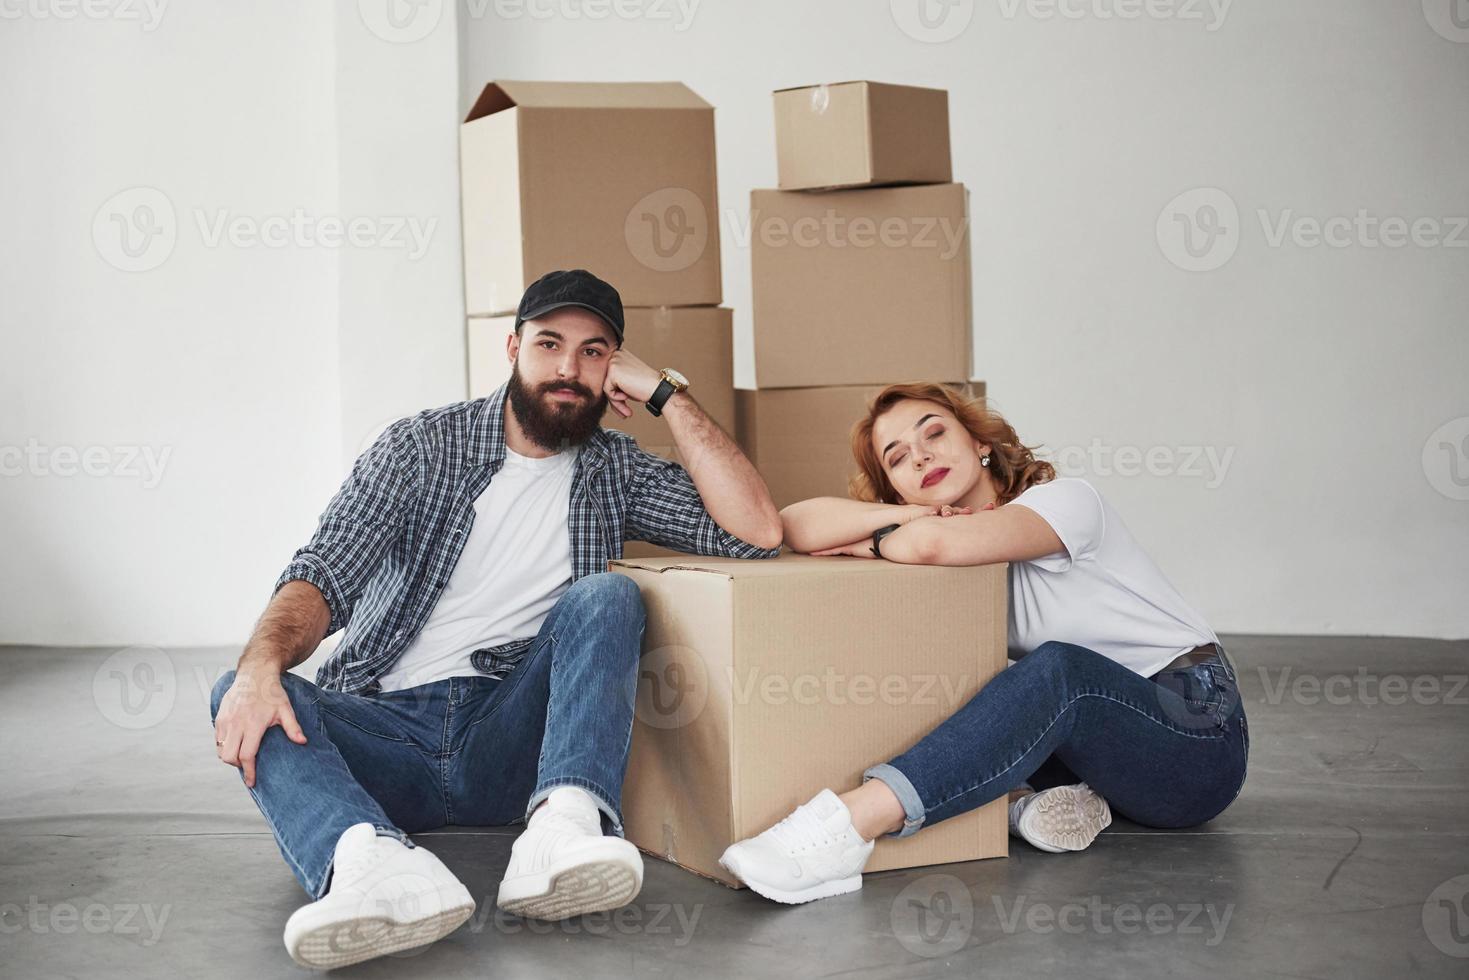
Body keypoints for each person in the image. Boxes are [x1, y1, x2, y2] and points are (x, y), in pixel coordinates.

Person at [209, 269, 782, 967]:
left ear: (614, 372)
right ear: (512, 348)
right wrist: (261, 668)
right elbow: (324, 573)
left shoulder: (616, 471)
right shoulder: (420, 449)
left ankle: (562, 828)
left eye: (594, 352)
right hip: (385, 734)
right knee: (240, 685)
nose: (568, 368)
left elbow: (755, 530)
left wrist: (667, 392)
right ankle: (372, 865)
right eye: (549, 344)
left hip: (510, 739)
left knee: (606, 597)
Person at [719, 382, 1247, 905]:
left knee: (1059, 670)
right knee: (956, 678)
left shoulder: (1065, 503)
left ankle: (849, 825)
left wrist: (884, 537)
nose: (922, 457)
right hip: (1100, 751)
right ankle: (1027, 808)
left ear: (980, 443)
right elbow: (793, 525)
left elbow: (929, 544)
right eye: (898, 458)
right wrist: (903, 517)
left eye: (934, 434)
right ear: (896, 489)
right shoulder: (945, 548)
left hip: (1196, 733)